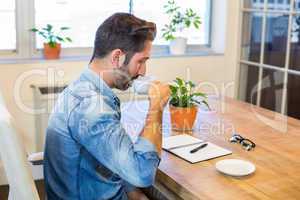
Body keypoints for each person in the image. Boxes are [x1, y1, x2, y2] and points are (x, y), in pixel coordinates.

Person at [44, 12, 170, 200]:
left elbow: (108, 154)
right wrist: (156, 107)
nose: (143, 71)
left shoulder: (85, 89)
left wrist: (131, 192)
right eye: (141, 61)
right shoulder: (91, 108)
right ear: (117, 57)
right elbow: (142, 174)